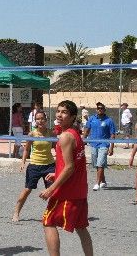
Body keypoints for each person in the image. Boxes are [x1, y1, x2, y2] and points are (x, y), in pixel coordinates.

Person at [39, 100, 93, 256]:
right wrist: (57, 173)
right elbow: (73, 163)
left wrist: (51, 188)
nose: (59, 114)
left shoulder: (66, 136)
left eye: (64, 112)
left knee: (48, 223)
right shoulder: (75, 133)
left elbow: (70, 167)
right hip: (79, 190)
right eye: (58, 111)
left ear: (73, 117)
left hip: (67, 192)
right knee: (81, 228)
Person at [12, 111, 55, 222]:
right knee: (27, 190)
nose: (40, 121)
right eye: (38, 119)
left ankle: (52, 215)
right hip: (35, 165)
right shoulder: (32, 134)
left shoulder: (51, 133)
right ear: (35, 121)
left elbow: (57, 148)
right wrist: (23, 162)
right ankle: (16, 212)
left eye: (42, 119)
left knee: (53, 191)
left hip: (49, 165)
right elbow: (26, 149)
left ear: (46, 120)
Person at [83, 102, 115, 191]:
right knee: (97, 164)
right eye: (98, 108)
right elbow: (87, 130)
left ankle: (97, 183)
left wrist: (111, 147)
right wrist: (83, 141)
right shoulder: (92, 119)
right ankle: (103, 181)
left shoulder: (109, 120)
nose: (100, 109)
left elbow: (112, 135)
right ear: (96, 109)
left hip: (104, 145)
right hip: (93, 144)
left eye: (101, 108)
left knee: (100, 163)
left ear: (104, 110)